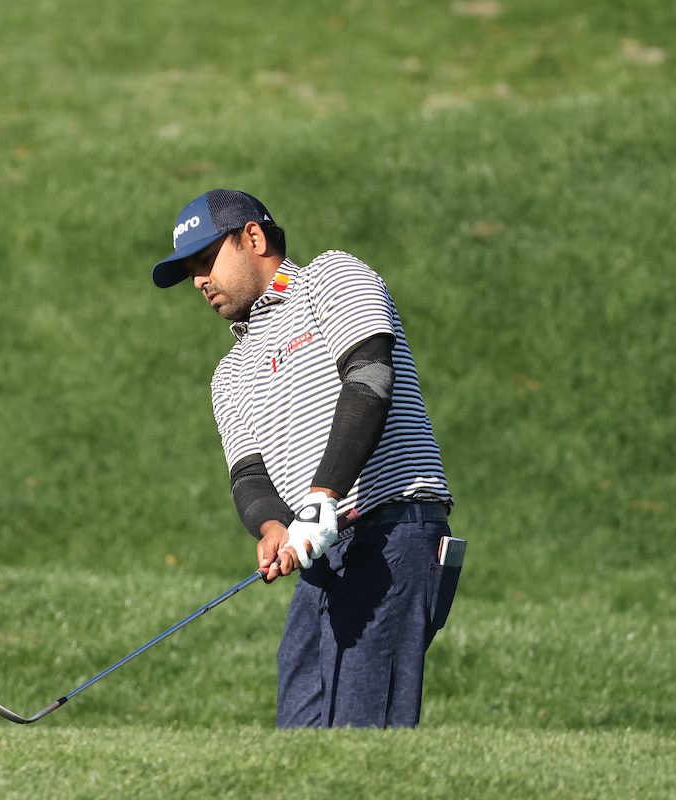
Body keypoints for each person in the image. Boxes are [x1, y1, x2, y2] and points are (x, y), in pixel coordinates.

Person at [151, 189, 459, 728]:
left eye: (206, 260)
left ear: (253, 236)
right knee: (301, 741)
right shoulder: (229, 375)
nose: (200, 281)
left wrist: (321, 499)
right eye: (190, 273)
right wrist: (273, 526)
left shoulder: (330, 277)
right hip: (323, 554)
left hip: (392, 533)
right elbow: (248, 476)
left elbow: (369, 379)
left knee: (363, 740)